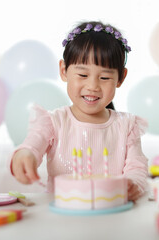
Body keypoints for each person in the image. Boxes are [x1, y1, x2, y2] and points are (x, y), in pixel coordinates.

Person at [10, 21, 148, 201]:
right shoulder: (53, 122)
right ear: (64, 70)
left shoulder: (127, 126)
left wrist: (133, 184)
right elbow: (32, 145)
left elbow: (137, 168)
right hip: (62, 216)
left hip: (113, 213)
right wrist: (24, 155)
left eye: (105, 77)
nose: (92, 86)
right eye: (83, 75)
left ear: (121, 78)